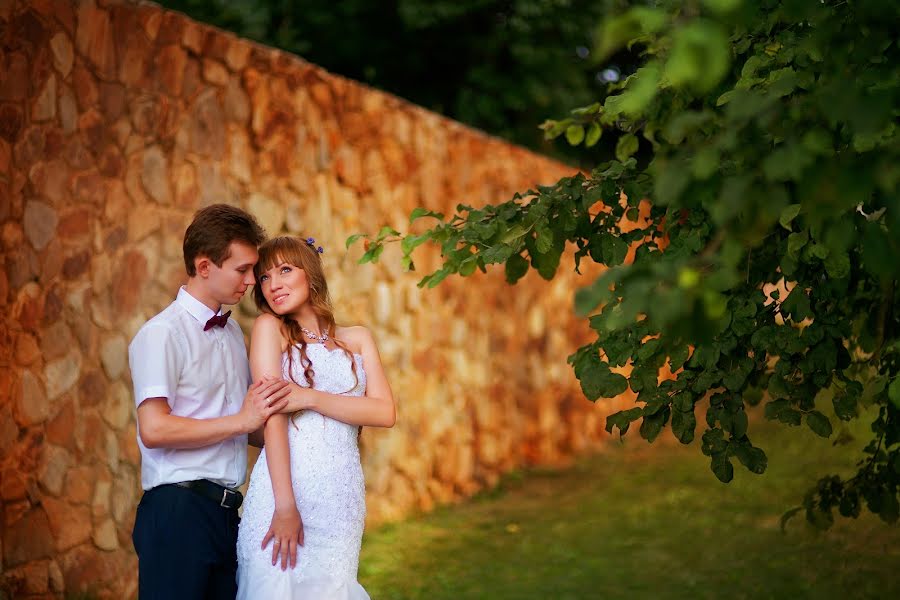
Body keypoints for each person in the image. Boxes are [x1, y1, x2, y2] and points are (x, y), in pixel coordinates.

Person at [128, 204, 292, 600]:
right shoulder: (161, 335)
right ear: (204, 267)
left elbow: (251, 426)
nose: (253, 281)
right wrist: (242, 421)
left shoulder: (234, 333)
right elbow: (154, 429)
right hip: (178, 512)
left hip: (228, 516)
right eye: (242, 270)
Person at [236, 235, 396, 599]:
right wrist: (285, 505)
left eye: (285, 271)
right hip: (284, 492)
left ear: (310, 274)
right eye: (264, 277)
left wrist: (307, 397)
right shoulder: (268, 328)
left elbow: (384, 412)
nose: (273, 284)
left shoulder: (357, 339)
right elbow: (272, 417)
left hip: (340, 498)